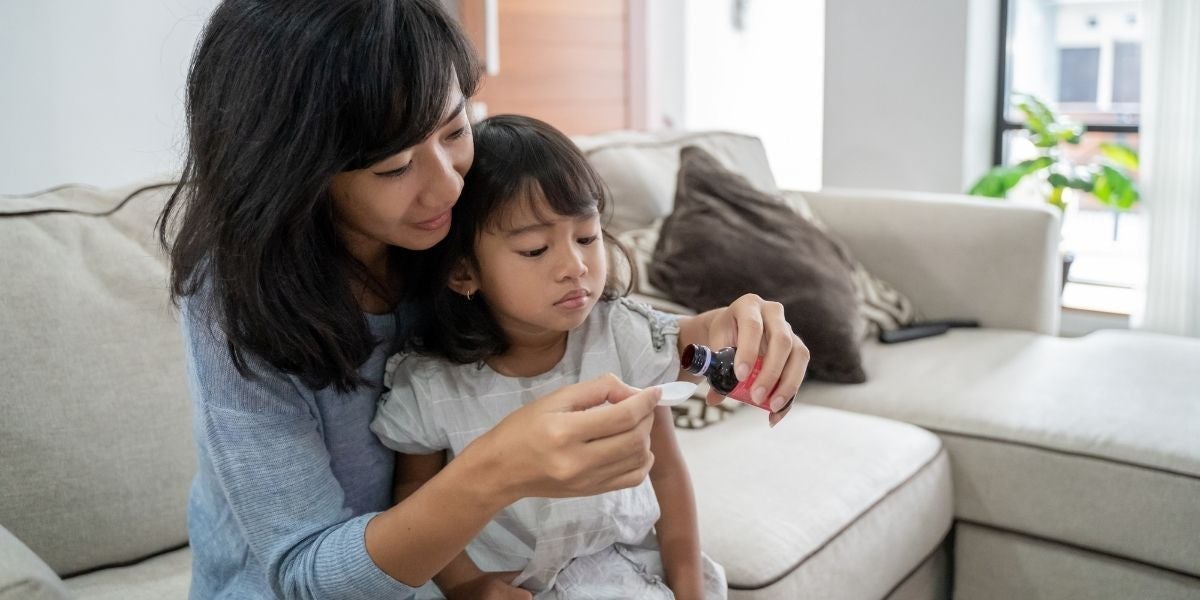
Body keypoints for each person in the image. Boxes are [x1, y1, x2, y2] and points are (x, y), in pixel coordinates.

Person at [159, 1, 808, 598]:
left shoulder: (451, 224)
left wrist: (723, 335)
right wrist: (499, 470)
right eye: (392, 167)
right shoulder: (235, 303)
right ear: (297, 173)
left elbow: (618, 333)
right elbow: (304, 576)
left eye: (453, 129)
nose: (445, 187)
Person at [372, 115, 736, 599]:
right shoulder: (431, 384)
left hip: (617, 571)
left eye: (587, 237)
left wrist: (688, 587)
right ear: (463, 273)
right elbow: (414, 497)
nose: (576, 266)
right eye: (535, 248)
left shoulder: (620, 337)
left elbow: (665, 471)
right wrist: (468, 585)